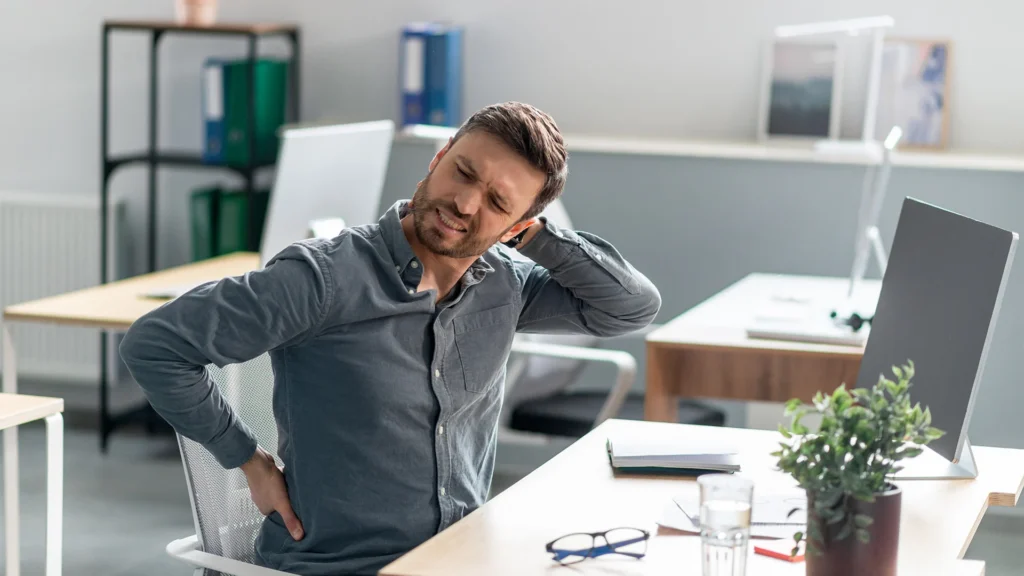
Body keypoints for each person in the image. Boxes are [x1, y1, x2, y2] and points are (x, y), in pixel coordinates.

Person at [119, 101, 662, 575]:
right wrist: (247, 459)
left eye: (499, 203)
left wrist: (539, 240)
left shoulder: (505, 284)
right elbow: (156, 345)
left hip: (460, 560)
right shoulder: (323, 278)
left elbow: (630, 307)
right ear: (438, 157)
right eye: (464, 172)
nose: (467, 204)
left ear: (519, 226)